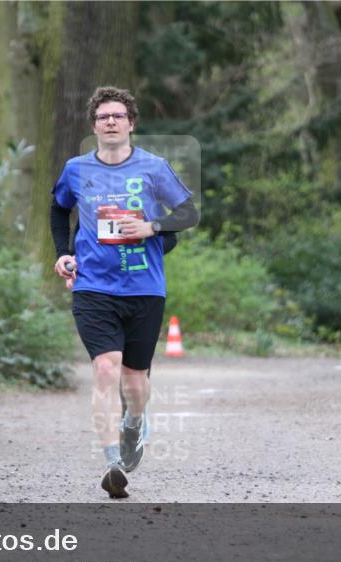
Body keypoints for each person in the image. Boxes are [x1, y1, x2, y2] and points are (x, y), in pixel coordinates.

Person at [50, 86, 199, 498]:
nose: (111, 122)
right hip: (94, 287)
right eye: (103, 117)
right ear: (94, 126)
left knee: (135, 379)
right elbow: (59, 208)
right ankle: (112, 461)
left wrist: (152, 227)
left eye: (118, 116)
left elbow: (188, 212)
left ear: (131, 124)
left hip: (144, 288)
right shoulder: (77, 169)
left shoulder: (153, 168)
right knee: (105, 368)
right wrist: (63, 253)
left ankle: (134, 420)